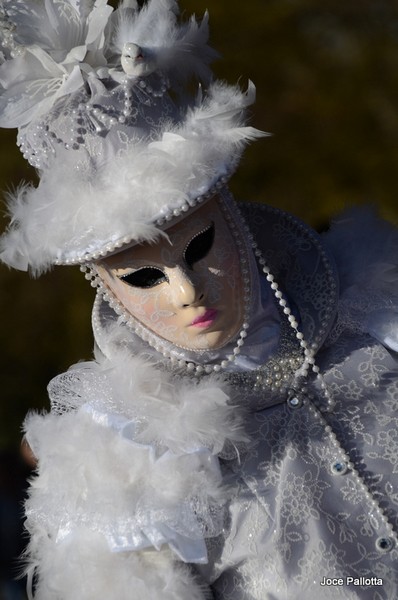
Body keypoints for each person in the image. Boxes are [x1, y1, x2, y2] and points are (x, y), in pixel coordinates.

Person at [0, 1, 397, 599]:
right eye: (141, 276)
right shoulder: (124, 464)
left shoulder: (378, 313)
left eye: (200, 244)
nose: (186, 292)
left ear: (231, 221)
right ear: (105, 285)